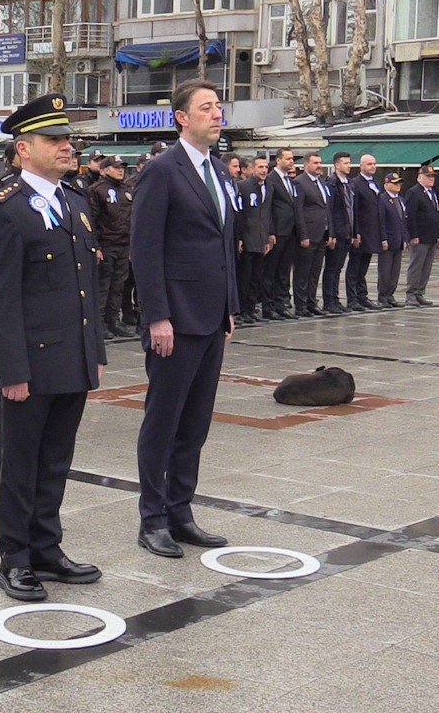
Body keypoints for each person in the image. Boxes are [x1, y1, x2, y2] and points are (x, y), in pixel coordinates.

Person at [0, 93, 106, 601]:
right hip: (28, 362)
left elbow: (85, 285)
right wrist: (11, 370)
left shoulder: (74, 201)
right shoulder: (5, 209)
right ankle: (14, 557)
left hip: (70, 355)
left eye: (67, 139)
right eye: (53, 140)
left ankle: (46, 548)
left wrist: (93, 350)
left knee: (55, 459)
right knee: (18, 462)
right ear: (23, 149)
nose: (66, 147)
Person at [130, 79, 238, 558]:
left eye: (219, 107)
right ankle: (152, 518)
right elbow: (145, 248)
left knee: (195, 423)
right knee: (164, 421)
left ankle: (181, 511)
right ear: (182, 117)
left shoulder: (218, 170)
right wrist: (157, 316)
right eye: (206, 108)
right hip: (175, 318)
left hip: (211, 316)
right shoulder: (161, 170)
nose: (217, 115)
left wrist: (230, 305)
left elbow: (223, 243)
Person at [88, 155, 134, 339]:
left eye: (122, 167)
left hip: (124, 245)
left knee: (118, 285)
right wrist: (95, 246)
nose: (120, 170)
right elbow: (91, 219)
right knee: (103, 286)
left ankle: (113, 321)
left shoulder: (126, 190)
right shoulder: (97, 190)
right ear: (105, 170)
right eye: (116, 167)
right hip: (106, 244)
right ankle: (99, 323)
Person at [263, 147, 304, 320]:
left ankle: (281, 304)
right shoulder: (271, 179)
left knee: (284, 271)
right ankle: (268, 306)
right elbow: (268, 208)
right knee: (270, 271)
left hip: (290, 231)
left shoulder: (290, 181)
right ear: (278, 160)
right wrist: (270, 231)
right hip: (278, 232)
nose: (291, 161)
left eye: (292, 159)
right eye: (288, 158)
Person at [292, 152, 332, 317]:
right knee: (303, 272)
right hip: (308, 234)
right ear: (306, 164)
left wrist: (330, 232)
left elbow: (326, 208)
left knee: (315, 272)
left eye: (320, 162)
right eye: (315, 163)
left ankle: (311, 302)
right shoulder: (300, 182)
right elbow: (299, 211)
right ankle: (300, 305)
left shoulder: (321, 182)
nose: (319, 165)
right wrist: (303, 235)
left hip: (322, 233)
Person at [236, 157, 271, 324]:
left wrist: (268, 236)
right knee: (245, 277)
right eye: (260, 167)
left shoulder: (268, 187)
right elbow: (239, 214)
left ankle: (250, 309)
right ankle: (241, 310)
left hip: (261, 238)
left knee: (256, 278)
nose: (264, 170)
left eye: (266, 167)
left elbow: (267, 213)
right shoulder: (243, 186)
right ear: (252, 169)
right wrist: (239, 237)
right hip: (247, 238)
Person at [347, 154, 383, 311]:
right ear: (361, 166)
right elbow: (354, 210)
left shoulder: (375, 183)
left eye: (374, 164)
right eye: (369, 164)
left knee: (363, 267)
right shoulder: (356, 183)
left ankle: (362, 296)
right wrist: (355, 232)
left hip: (372, 232)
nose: (373, 166)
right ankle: (352, 298)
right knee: (354, 267)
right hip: (360, 231)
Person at [404, 165, 439, 306]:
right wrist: (413, 235)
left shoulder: (431, 193)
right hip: (420, 236)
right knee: (417, 265)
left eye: (432, 177)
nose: (431, 179)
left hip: (431, 236)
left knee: (426, 267)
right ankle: (411, 293)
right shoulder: (414, 192)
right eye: (428, 176)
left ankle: (420, 292)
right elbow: (410, 215)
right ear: (420, 177)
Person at [322, 151, 354, 314]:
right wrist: (331, 233)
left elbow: (351, 208)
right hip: (337, 231)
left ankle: (335, 299)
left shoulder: (349, 183)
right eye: (345, 163)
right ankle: (329, 301)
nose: (349, 166)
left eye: (349, 163)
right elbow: (330, 211)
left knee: (338, 268)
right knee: (331, 268)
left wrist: (353, 231)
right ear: (337, 165)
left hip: (347, 231)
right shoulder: (332, 183)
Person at [377, 173, 407, 307]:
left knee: (395, 270)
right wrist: (383, 238)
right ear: (386, 184)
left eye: (399, 183)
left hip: (398, 240)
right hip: (388, 240)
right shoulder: (382, 199)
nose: (398, 185)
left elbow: (403, 221)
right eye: (395, 183)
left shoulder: (400, 199)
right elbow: (381, 221)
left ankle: (390, 295)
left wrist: (404, 238)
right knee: (385, 270)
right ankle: (382, 296)